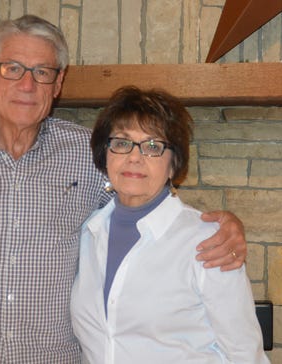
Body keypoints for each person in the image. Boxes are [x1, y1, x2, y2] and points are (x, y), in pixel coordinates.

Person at [0, 15, 248, 364]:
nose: (27, 85)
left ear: (58, 83)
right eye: (12, 68)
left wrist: (220, 225)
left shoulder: (86, 153)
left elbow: (143, 201)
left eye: (42, 72)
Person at [71, 86, 268, 363]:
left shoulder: (208, 241)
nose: (134, 157)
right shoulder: (88, 232)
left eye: (153, 146)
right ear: (105, 156)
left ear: (174, 165)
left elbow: (244, 353)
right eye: (122, 142)